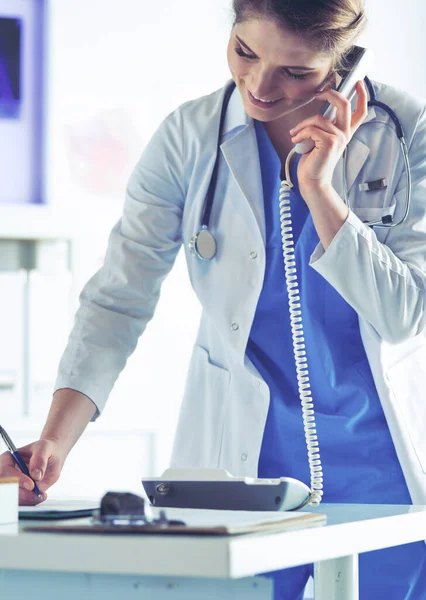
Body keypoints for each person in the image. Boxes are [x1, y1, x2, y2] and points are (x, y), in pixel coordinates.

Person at [1, 0, 426, 597]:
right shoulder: (188, 136)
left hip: (385, 473)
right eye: (245, 53)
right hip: (244, 471)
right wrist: (55, 439)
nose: (260, 86)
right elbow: (118, 299)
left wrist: (321, 194)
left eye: (296, 72)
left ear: (343, 62)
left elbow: (407, 315)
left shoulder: (406, 131)